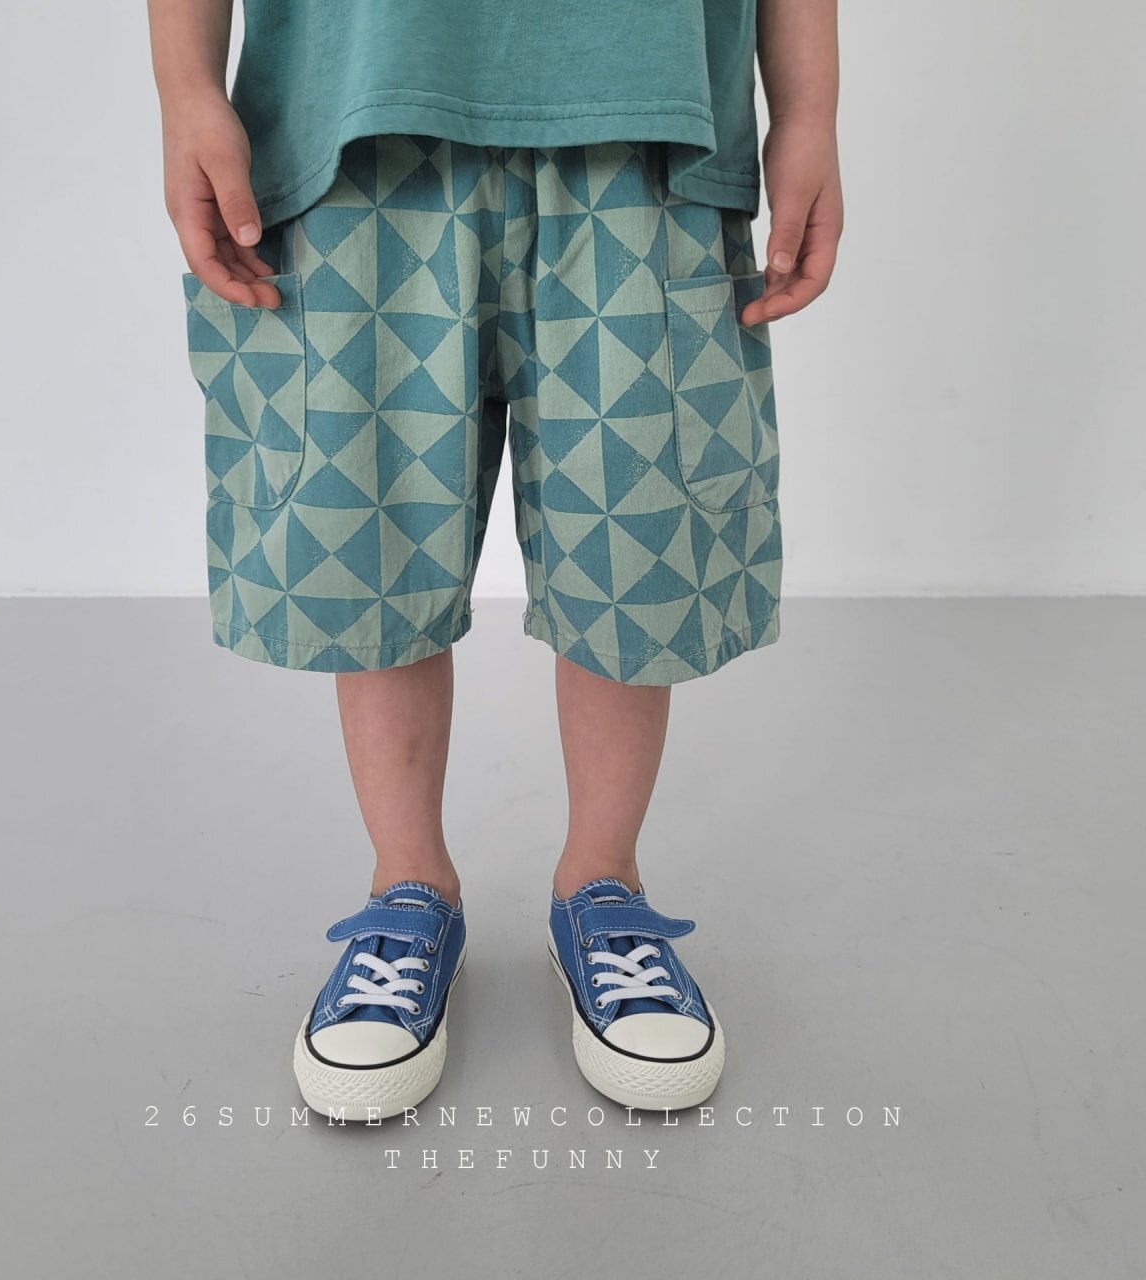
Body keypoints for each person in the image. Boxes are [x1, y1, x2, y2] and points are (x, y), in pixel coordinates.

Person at [148, 0, 842, 1121]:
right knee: (370, 541)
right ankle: (406, 889)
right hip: (353, 111)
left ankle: (602, 887)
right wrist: (186, 88)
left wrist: (808, 112)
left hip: (644, 114)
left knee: (633, 543)